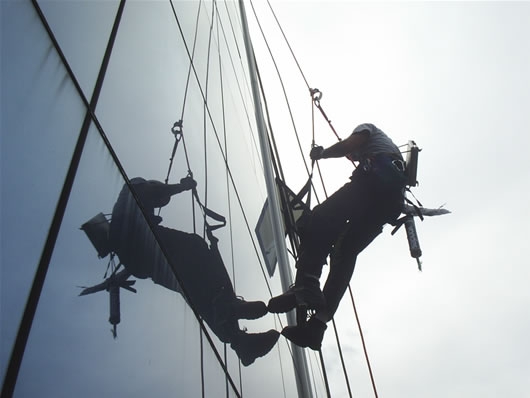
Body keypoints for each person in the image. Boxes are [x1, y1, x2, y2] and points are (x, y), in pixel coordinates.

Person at [109, 177, 279, 366]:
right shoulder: (134, 188)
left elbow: (134, 259)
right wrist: (182, 186)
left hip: (145, 260)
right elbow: (156, 191)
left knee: (192, 288)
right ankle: (228, 308)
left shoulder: (126, 219)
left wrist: (121, 275)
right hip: (144, 243)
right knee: (195, 247)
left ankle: (239, 341)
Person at [268, 123, 407, 350]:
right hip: (389, 204)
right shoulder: (390, 154)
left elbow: (348, 145)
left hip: (372, 185)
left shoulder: (368, 129)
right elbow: (354, 151)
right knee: (344, 252)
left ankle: (307, 284)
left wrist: (322, 153)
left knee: (319, 219)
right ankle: (316, 327)